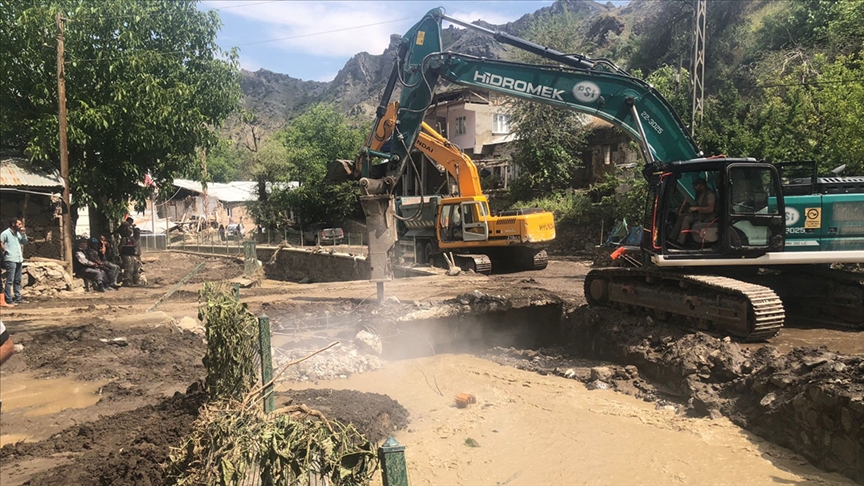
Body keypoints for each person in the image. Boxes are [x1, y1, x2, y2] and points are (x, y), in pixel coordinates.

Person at [673, 178, 717, 245]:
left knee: (687, 219)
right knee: (682, 216)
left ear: (702, 185)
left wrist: (696, 208)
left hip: (708, 218)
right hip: (700, 215)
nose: (694, 187)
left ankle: (681, 241)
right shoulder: (700, 194)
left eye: (696, 185)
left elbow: (710, 209)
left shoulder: (710, 194)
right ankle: (672, 237)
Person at [1, 219, 28, 304]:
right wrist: (5, 250)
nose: (21, 226)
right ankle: (8, 299)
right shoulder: (5, 233)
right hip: (10, 259)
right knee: (10, 280)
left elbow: (24, 242)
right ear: (13, 224)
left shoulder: (18, 234)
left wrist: (23, 234)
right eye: (19, 224)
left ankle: (18, 297)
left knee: (18, 280)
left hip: (18, 259)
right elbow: (1, 241)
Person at [116, 217, 140, 286]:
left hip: (131, 253)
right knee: (128, 267)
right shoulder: (124, 238)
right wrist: (120, 254)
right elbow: (120, 247)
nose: (130, 231)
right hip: (126, 254)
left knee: (134, 267)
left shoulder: (131, 238)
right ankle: (127, 280)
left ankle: (134, 279)